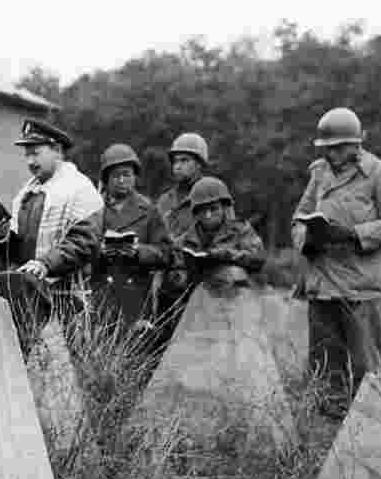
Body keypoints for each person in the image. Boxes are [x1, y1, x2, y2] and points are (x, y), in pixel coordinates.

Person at [292, 107, 381, 420]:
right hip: (322, 289)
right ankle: (325, 446)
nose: (333, 154)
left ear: (359, 143)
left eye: (340, 147)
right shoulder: (319, 174)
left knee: (366, 373)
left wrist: (352, 234)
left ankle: (368, 442)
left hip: (363, 291)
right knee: (323, 376)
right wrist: (307, 238)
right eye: (327, 148)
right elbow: (298, 218)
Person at [0, 119, 102, 358]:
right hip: (28, 299)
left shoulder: (80, 189)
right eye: (27, 155)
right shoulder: (24, 195)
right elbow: (18, 253)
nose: (30, 161)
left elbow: (84, 242)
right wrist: (2, 237)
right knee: (28, 367)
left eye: (36, 153)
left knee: (70, 371)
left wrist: (46, 263)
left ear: (58, 151)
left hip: (67, 299)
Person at [90, 144, 172, 336]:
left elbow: (167, 253)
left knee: (136, 355)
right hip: (101, 295)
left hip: (136, 297)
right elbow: (79, 248)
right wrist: (99, 250)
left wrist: (138, 250)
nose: (121, 180)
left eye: (126, 174)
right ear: (106, 179)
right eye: (115, 175)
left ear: (135, 177)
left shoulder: (149, 210)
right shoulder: (92, 207)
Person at [154, 132, 211, 351]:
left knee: (198, 346)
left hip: (199, 281)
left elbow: (226, 234)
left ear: (199, 164)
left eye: (185, 160)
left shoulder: (212, 194)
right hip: (167, 283)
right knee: (162, 343)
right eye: (175, 161)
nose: (177, 166)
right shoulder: (165, 200)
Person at [177, 177, 266, 288]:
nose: (208, 215)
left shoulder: (241, 230)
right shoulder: (185, 240)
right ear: (196, 212)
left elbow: (258, 257)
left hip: (237, 297)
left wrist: (226, 255)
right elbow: (176, 274)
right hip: (199, 299)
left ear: (224, 207)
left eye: (213, 209)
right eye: (203, 210)